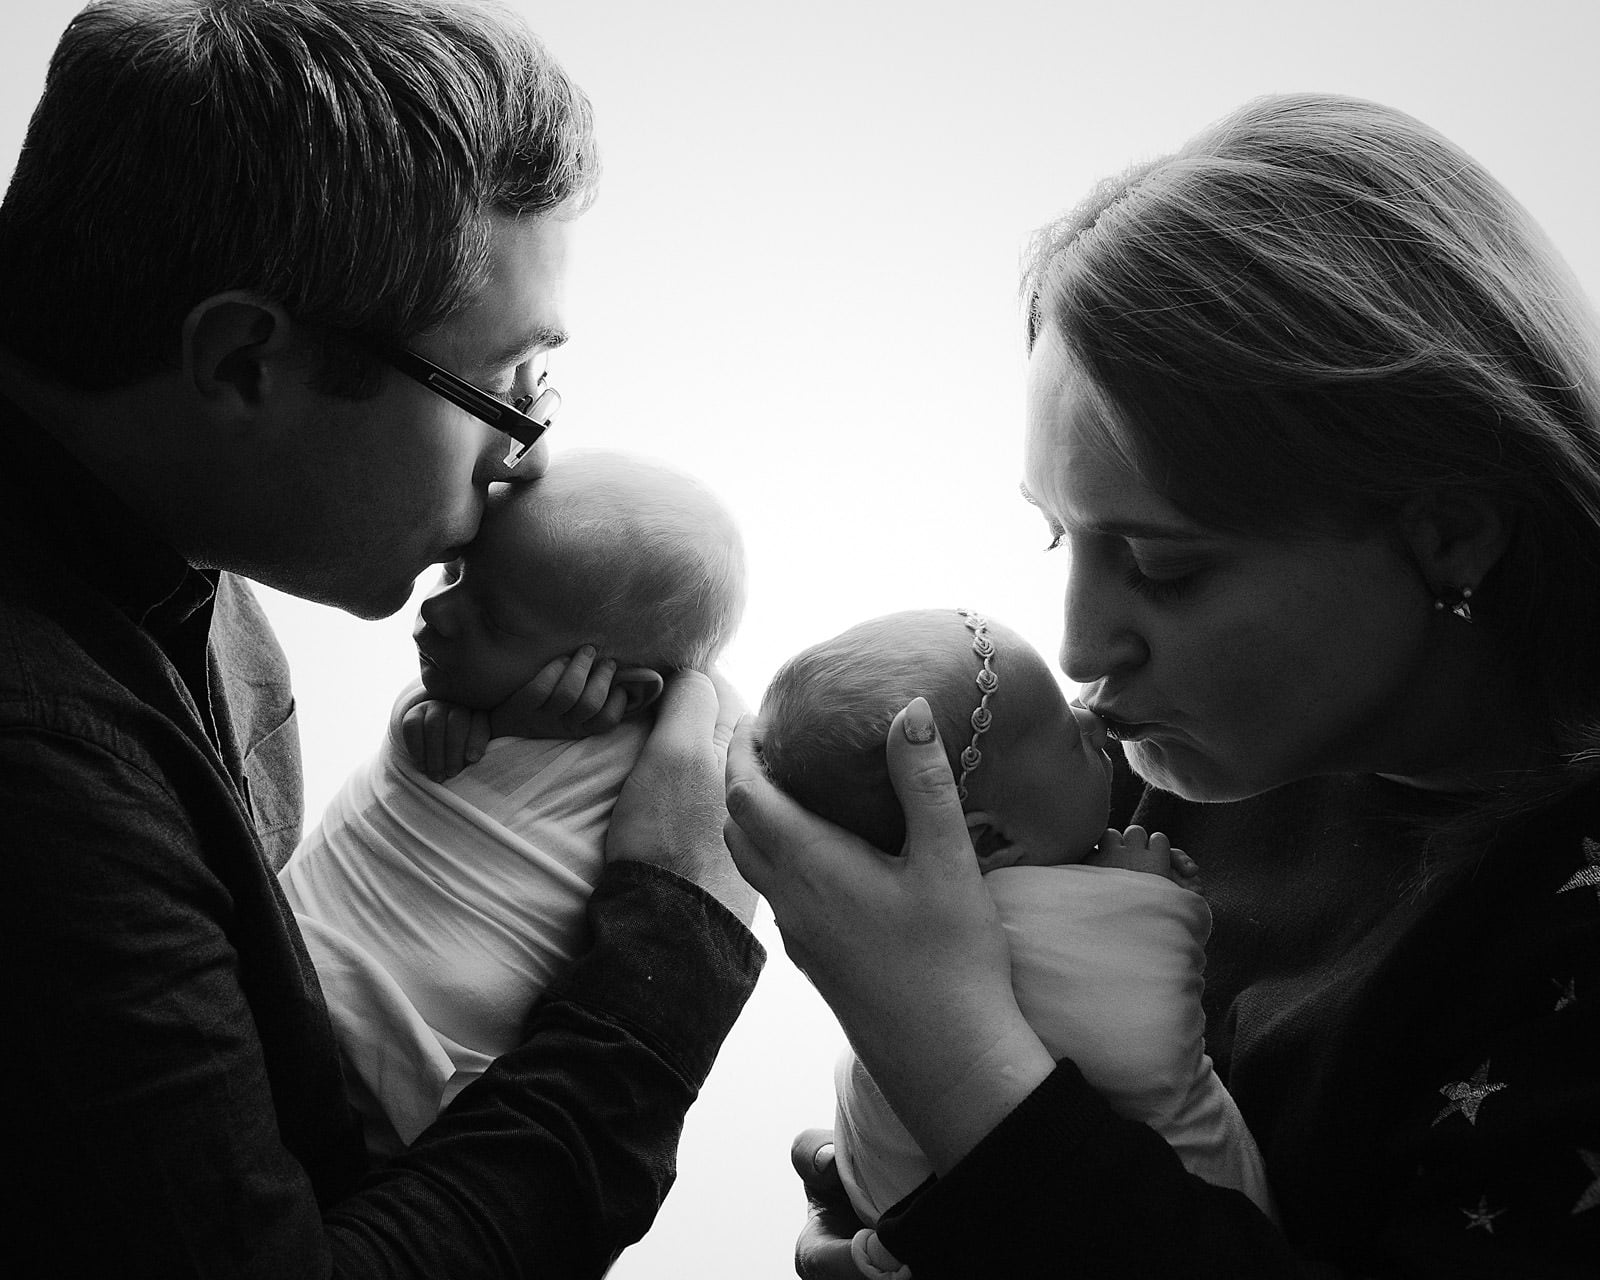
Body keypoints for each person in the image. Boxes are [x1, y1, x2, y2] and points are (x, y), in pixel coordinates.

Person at [726, 92, 1600, 1277]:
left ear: (1447, 531)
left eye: (1165, 567)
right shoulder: (1156, 777)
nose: (1082, 648)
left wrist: (946, 1055)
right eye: (1059, 539)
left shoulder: (1562, 951)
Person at [0, 4, 762, 1277]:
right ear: (246, 359)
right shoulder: (44, 765)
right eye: (503, 392)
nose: (527, 463)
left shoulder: (185, 563)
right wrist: (671, 950)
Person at [759, 607, 1273, 1270]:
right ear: (987, 840)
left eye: (1167, 571)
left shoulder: (905, 918)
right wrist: (1152, 902)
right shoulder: (1052, 907)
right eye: (1068, 738)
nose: (1092, 717)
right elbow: (1143, 1048)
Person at [280, 448, 747, 1156]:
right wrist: (468, 723)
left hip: (402, 1074)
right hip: (292, 975)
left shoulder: (674, 771)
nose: (434, 612)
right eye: (455, 571)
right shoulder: (466, 710)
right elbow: (420, 768)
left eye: (492, 619)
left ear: (627, 688)